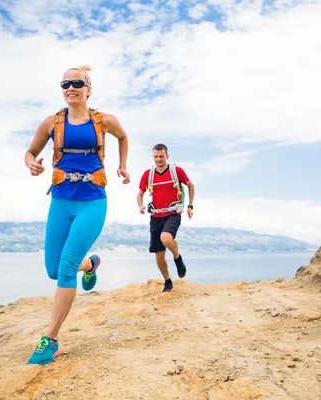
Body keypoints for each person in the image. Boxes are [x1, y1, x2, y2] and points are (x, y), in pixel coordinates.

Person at [24, 65, 130, 365]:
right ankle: (92, 263)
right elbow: (29, 152)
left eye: (77, 83)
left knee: (66, 268)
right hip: (60, 202)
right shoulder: (51, 123)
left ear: (88, 89)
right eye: (65, 84)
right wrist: (31, 164)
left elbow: (123, 137)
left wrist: (122, 166)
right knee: (54, 270)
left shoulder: (105, 120)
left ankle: (51, 340)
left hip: (92, 203)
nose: (71, 88)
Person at [136, 144, 195, 292]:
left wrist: (190, 206)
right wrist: (141, 205)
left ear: (167, 156)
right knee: (159, 254)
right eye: (156, 156)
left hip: (173, 213)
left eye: (161, 156)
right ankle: (168, 281)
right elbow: (140, 194)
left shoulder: (176, 171)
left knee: (166, 238)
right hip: (156, 216)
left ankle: (177, 257)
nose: (159, 159)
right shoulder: (148, 175)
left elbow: (190, 185)